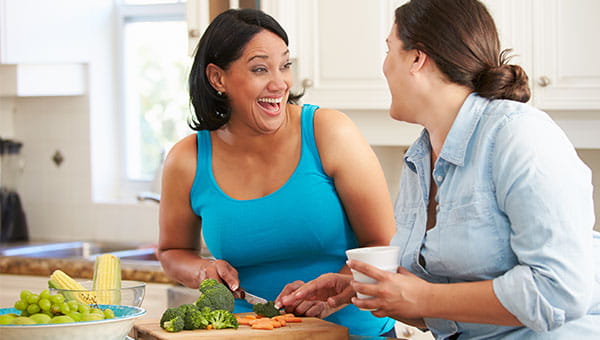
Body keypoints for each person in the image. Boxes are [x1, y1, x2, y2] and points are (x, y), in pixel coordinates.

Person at [278, 0, 600, 339]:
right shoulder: (420, 159)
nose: (385, 67)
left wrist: (421, 297)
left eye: (389, 51)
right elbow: (444, 309)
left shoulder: (520, 136)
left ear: (417, 58)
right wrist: (373, 291)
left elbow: (560, 291)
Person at [157, 8, 398, 337]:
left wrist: (337, 292)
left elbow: (382, 243)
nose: (280, 82)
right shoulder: (187, 159)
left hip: (352, 332)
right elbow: (172, 252)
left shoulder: (329, 133)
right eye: (260, 69)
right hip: (249, 332)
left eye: (285, 65)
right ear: (217, 78)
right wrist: (202, 270)